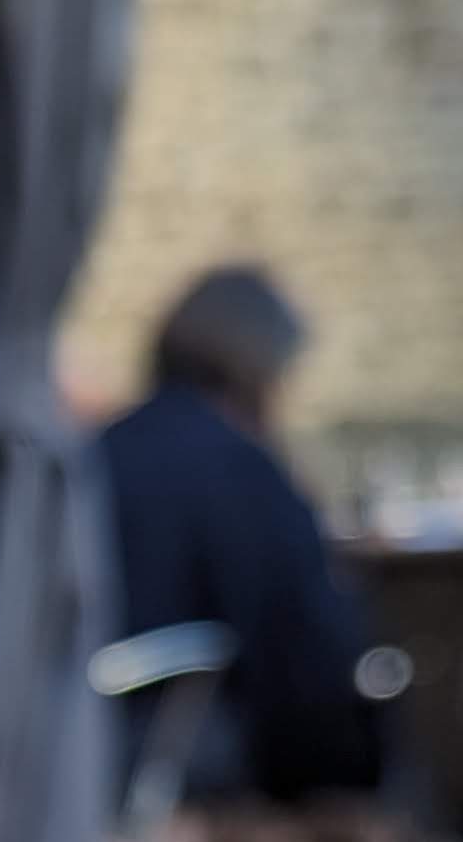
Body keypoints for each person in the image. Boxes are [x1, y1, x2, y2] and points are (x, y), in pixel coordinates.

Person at [98, 263, 381, 806]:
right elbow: (305, 643)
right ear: (259, 366)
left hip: (82, 734)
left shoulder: (102, 448)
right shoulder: (239, 468)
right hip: (179, 745)